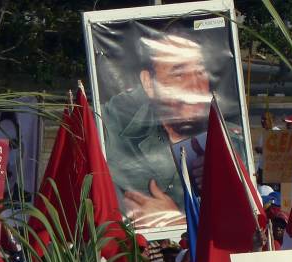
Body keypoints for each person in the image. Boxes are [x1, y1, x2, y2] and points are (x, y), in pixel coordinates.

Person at [102, 29, 244, 229]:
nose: (195, 86)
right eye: (179, 74)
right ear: (148, 84)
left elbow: (245, 225)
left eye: (201, 72)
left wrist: (175, 222)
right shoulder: (116, 138)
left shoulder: (234, 146)